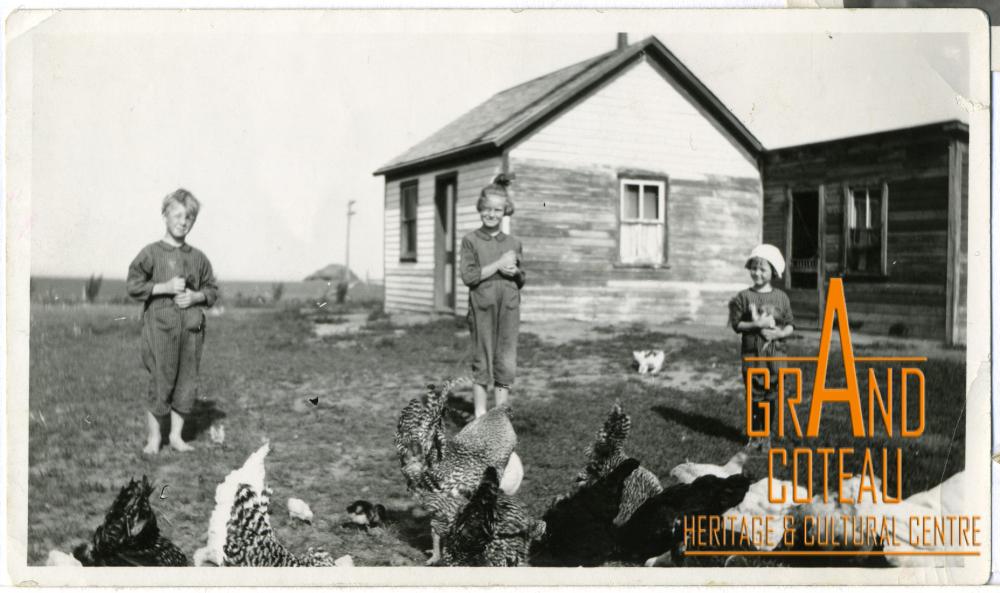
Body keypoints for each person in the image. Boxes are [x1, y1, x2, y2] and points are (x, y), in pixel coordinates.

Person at [127, 188, 218, 454]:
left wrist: (196, 296)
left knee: (186, 383)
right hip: (160, 331)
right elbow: (133, 285)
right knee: (160, 381)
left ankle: (177, 437)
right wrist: (163, 287)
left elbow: (212, 291)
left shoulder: (199, 258)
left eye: (188, 217)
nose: (182, 221)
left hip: (191, 331)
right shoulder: (151, 253)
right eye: (177, 215)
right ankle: (155, 438)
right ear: (165, 216)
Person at [459, 174, 525, 418]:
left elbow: (521, 279)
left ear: (505, 211)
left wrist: (515, 271)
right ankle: (479, 415)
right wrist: (498, 264)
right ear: (480, 208)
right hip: (482, 308)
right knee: (482, 360)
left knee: (506, 362)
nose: (491, 214)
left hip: (509, 307)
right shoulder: (470, 241)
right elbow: (469, 277)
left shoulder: (513, 242)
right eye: (487, 209)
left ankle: (500, 415)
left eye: (497, 210)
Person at [728, 244, 794, 442]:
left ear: (773, 271)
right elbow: (736, 324)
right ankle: (754, 435)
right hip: (753, 357)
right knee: (755, 396)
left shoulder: (781, 298)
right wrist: (756, 324)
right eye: (753, 268)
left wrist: (778, 334)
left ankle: (765, 435)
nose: (756, 272)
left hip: (775, 357)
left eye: (762, 268)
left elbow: (791, 325)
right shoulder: (743, 297)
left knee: (771, 395)